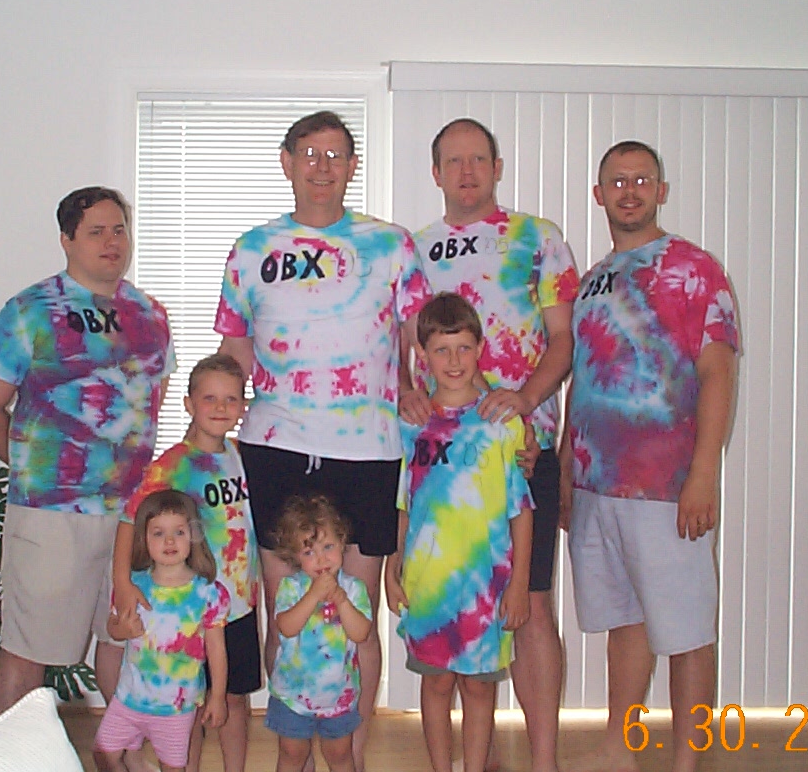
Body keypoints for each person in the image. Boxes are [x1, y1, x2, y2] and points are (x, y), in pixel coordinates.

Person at [214, 110, 431, 771]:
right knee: (288, 609)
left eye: (336, 155)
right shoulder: (252, 249)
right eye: (310, 153)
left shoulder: (390, 244)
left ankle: (349, 759)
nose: (323, 166)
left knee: (355, 612)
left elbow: (416, 340)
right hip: (275, 445)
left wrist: (417, 391)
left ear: (352, 166)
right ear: (287, 162)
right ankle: (294, 759)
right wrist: (211, 425)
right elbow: (234, 351)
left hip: (367, 449)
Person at [402, 117, 578, 772]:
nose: (467, 171)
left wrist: (524, 403)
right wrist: (407, 393)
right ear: (436, 172)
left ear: (497, 167)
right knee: (451, 603)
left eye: (479, 159)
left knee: (529, 604)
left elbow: (563, 338)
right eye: (454, 161)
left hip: (521, 449)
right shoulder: (414, 250)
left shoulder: (539, 239)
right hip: (441, 462)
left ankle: (543, 760)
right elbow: (401, 346)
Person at [0, 186, 175, 718]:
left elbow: (151, 406)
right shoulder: (29, 312)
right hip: (51, 514)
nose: (112, 241)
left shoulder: (150, 314)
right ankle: (14, 756)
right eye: (96, 231)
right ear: (66, 240)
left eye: (119, 229)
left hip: (130, 514)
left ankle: (123, 751)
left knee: (123, 639)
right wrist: (37, 469)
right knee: (28, 648)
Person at [561, 140, 739, 772]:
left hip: (667, 489)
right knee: (626, 622)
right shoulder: (591, 281)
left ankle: (688, 762)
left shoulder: (695, 268)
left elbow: (717, 372)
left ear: (661, 191)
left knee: (686, 631)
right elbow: (583, 378)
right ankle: (619, 748)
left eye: (642, 180)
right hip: (596, 487)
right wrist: (567, 472)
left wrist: (704, 474)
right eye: (617, 181)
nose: (629, 190)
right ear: (599, 194)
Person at [386, 292, 535, 772]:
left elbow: (521, 510)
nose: (454, 361)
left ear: (480, 349)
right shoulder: (411, 425)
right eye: (442, 350)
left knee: (477, 688)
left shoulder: (501, 423)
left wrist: (519, 584)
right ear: (422, 355)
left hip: (485, 586)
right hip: (428, 584)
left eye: (464, 348)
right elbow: (402, 504)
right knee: (435, 684)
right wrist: (392, 567)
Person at [113, 353, 260, 772]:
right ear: (189, 403)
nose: (220, 407)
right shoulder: (172, 465)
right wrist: (123, 583)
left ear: (243, 407)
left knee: (233, 699)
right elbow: (130, 521)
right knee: (188, 709)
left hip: (237, 607)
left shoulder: (241, 456)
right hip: (187, 611)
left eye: (231, 399)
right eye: (210, 398)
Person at [94, 490, 230, 772]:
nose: (169, 541)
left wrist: (218, 696)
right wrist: (122, 629)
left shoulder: (207, 594)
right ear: (143, 538)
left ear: (193, 536)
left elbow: (216, 649)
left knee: (173, 766)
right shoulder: (133, 586)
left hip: (176, 708)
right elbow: (112, 628)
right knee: (103, 754)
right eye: (158, 533)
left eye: (178, 532)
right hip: (128, 699)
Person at [268, 495, 373, 772]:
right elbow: (286, 627)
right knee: (291, 754)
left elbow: (361, 633)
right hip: (292, 695)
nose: (321, 559)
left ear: (342, 542)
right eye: (308, 552)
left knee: (340, 755)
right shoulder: (291, 587)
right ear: (295, 556)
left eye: (328, 547)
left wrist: (342, 602)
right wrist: (313, 596)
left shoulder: (354, 589)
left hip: (339, 695)